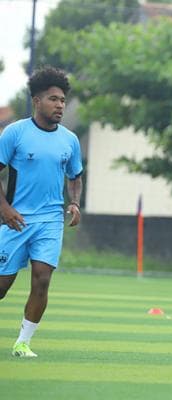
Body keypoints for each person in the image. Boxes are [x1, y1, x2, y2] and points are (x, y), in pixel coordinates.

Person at [0, 66, 83, 357]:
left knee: (42, 278)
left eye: (62, 100)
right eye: (53, 99)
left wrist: (74, 202)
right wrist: (5, 209)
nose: (60, 105)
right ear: (37, 101)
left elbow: (75, 177)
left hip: (50, 220)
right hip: (15, 221)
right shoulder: (15, 133)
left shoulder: (69, 140)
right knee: (1, 286)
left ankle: (23, 342)